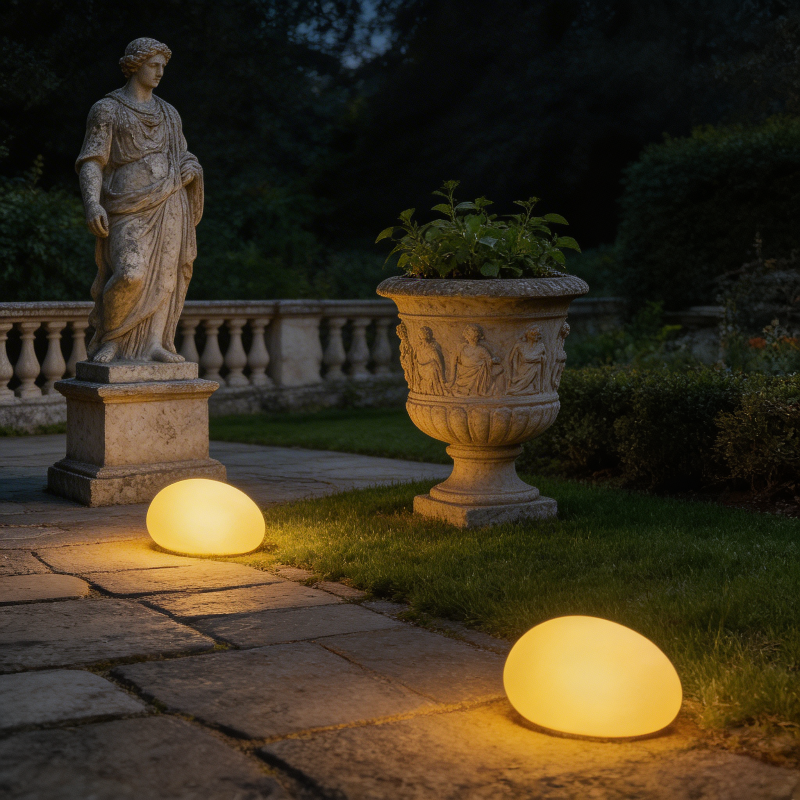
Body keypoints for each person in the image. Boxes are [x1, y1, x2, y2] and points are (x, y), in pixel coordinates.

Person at [77, 38, 203, 363]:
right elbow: (92, 161)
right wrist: (92, 203)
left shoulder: (169, 113)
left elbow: (182, 155)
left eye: (163, 66)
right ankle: (111, 338)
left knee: (165, 278)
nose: (160, 72)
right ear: (135, 65)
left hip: (170, 201)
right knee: (130, 273)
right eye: (153, 65)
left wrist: (191, 168)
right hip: (126, 206)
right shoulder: (107, 109)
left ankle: (154, 344)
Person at [451, 324, 503, 396]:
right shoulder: (461, 348)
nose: (473, 338)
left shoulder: (481, 350)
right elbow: (454, 364)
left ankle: (473, 390)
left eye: (474, 335)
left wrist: (494, 360)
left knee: (485, 367)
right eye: (470, 335)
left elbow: (489, 361)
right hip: (463, 376)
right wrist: (451, 380)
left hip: (477, 375)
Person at [507, 325, 546, 394]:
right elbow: (512, 360)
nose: (536, 337)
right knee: (514, 389)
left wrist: (539, 359)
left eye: (537, 335)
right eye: (534, 334)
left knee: (537, 367)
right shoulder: (520, 345)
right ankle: (519, 390)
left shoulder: (541, 347)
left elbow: (544, 359)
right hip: (522, 370)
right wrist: (513, 374)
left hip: (533, 371)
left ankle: (530, 390)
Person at [415, 326, 446, 394]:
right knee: (433, 367)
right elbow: (416, 360)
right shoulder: (420, 347)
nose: (422, 336)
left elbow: (439, 360)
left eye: (424, 334)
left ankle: (438, 387)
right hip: (423, 368)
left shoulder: (433, 346)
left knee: (433, 366)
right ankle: (436, 389)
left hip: (429, 368)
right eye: (421, 334)